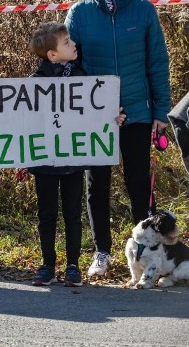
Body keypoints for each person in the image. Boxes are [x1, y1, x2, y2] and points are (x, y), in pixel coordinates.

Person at [65, 0, 171, 277]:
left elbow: (157, 62)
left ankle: (148, 252)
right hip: (97, 117)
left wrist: (161, 110)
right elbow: (72, 65)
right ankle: (102, 252)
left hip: (138, 112)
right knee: (97, 183)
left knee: (139, 183)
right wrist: (92, 104)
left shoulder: (143, 11)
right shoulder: (79, 13)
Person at [24, 22, 126, 286]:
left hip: (73, 161)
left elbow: (95, 113)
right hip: (44, 161)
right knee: (46, 214)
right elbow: (23, 117)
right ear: (52, 55)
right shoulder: (35, 83)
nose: (74, 44)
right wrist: (2, 121)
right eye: (67, 42)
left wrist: (112, 119)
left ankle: (73, 266)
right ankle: (47, 265)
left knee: (72, 213)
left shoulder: (84, 78)